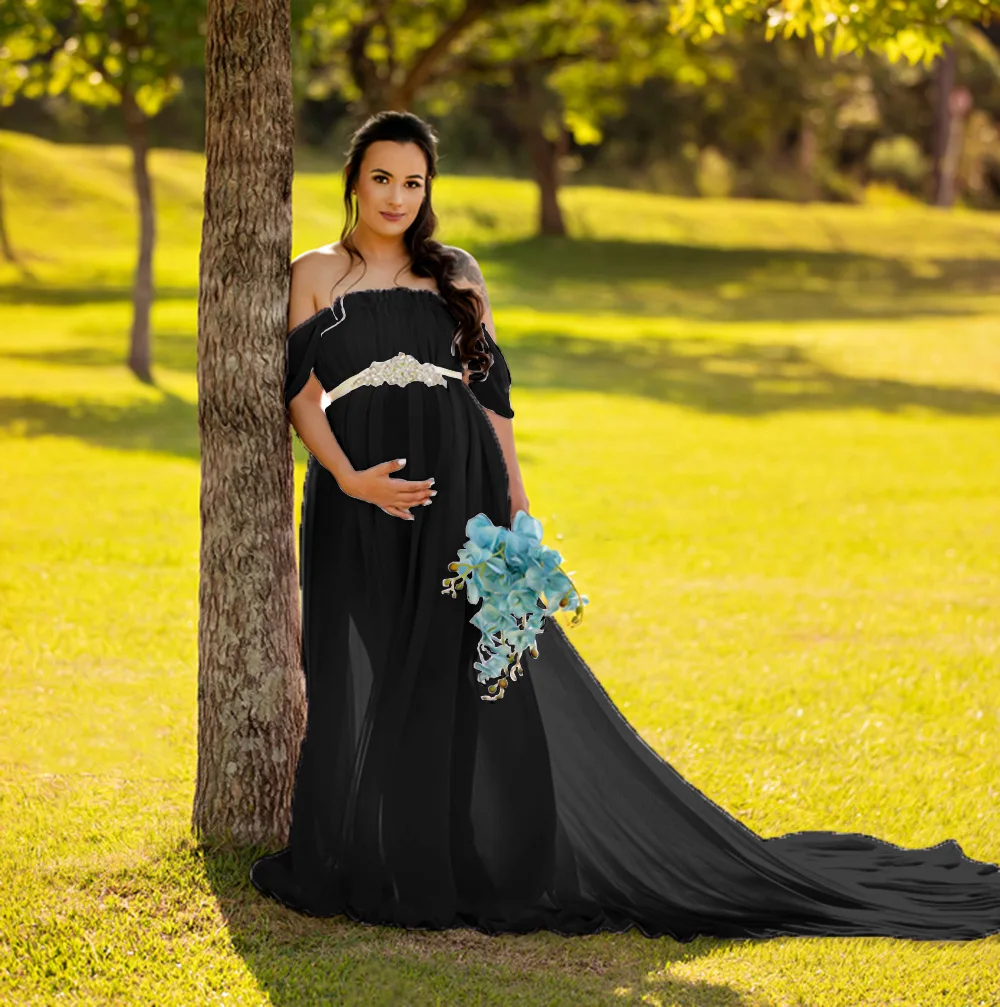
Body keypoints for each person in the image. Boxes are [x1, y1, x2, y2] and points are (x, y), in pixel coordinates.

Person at [249, 110, 1000, 941]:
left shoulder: (453, 270)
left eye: (414, 181)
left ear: (430, 190)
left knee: (455, 677)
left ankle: (444, 863)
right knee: (362, 666)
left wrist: (516, 507)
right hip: (357, 503)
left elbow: (490, 398)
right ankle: (363, 852)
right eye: (382, 178)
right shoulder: (315, 272)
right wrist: (349, 477)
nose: (396, 196)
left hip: (459, 493)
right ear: (354, 179)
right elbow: (299, 393)